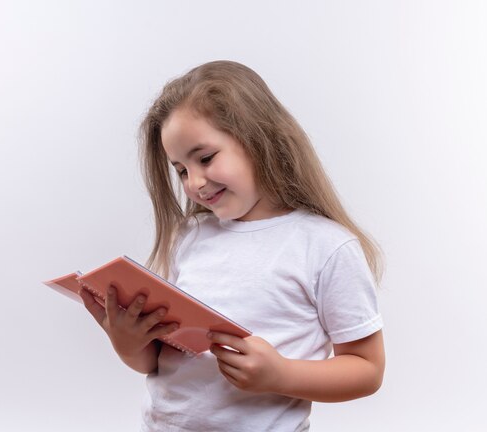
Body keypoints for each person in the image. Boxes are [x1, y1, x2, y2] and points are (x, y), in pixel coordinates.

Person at [79, 60, 385, 431]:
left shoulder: (325, 247)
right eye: (181, 170)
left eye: (205, 158)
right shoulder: (189, 236)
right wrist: (128, 343)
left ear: (259, 138)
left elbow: (367, 369)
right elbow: (158, 361)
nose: (194, 183)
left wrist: (281, 374)